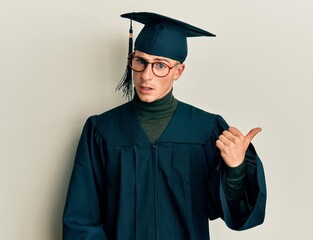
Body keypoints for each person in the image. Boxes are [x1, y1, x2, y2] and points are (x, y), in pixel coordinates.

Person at [63, 12, 266, 240]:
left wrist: (236, 169)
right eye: (140, 61)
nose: (146, 76)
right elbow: (81, 219)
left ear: (178, 72)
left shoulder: (207, 129)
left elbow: (224, 210)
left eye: (160, 65)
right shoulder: (101, 130)